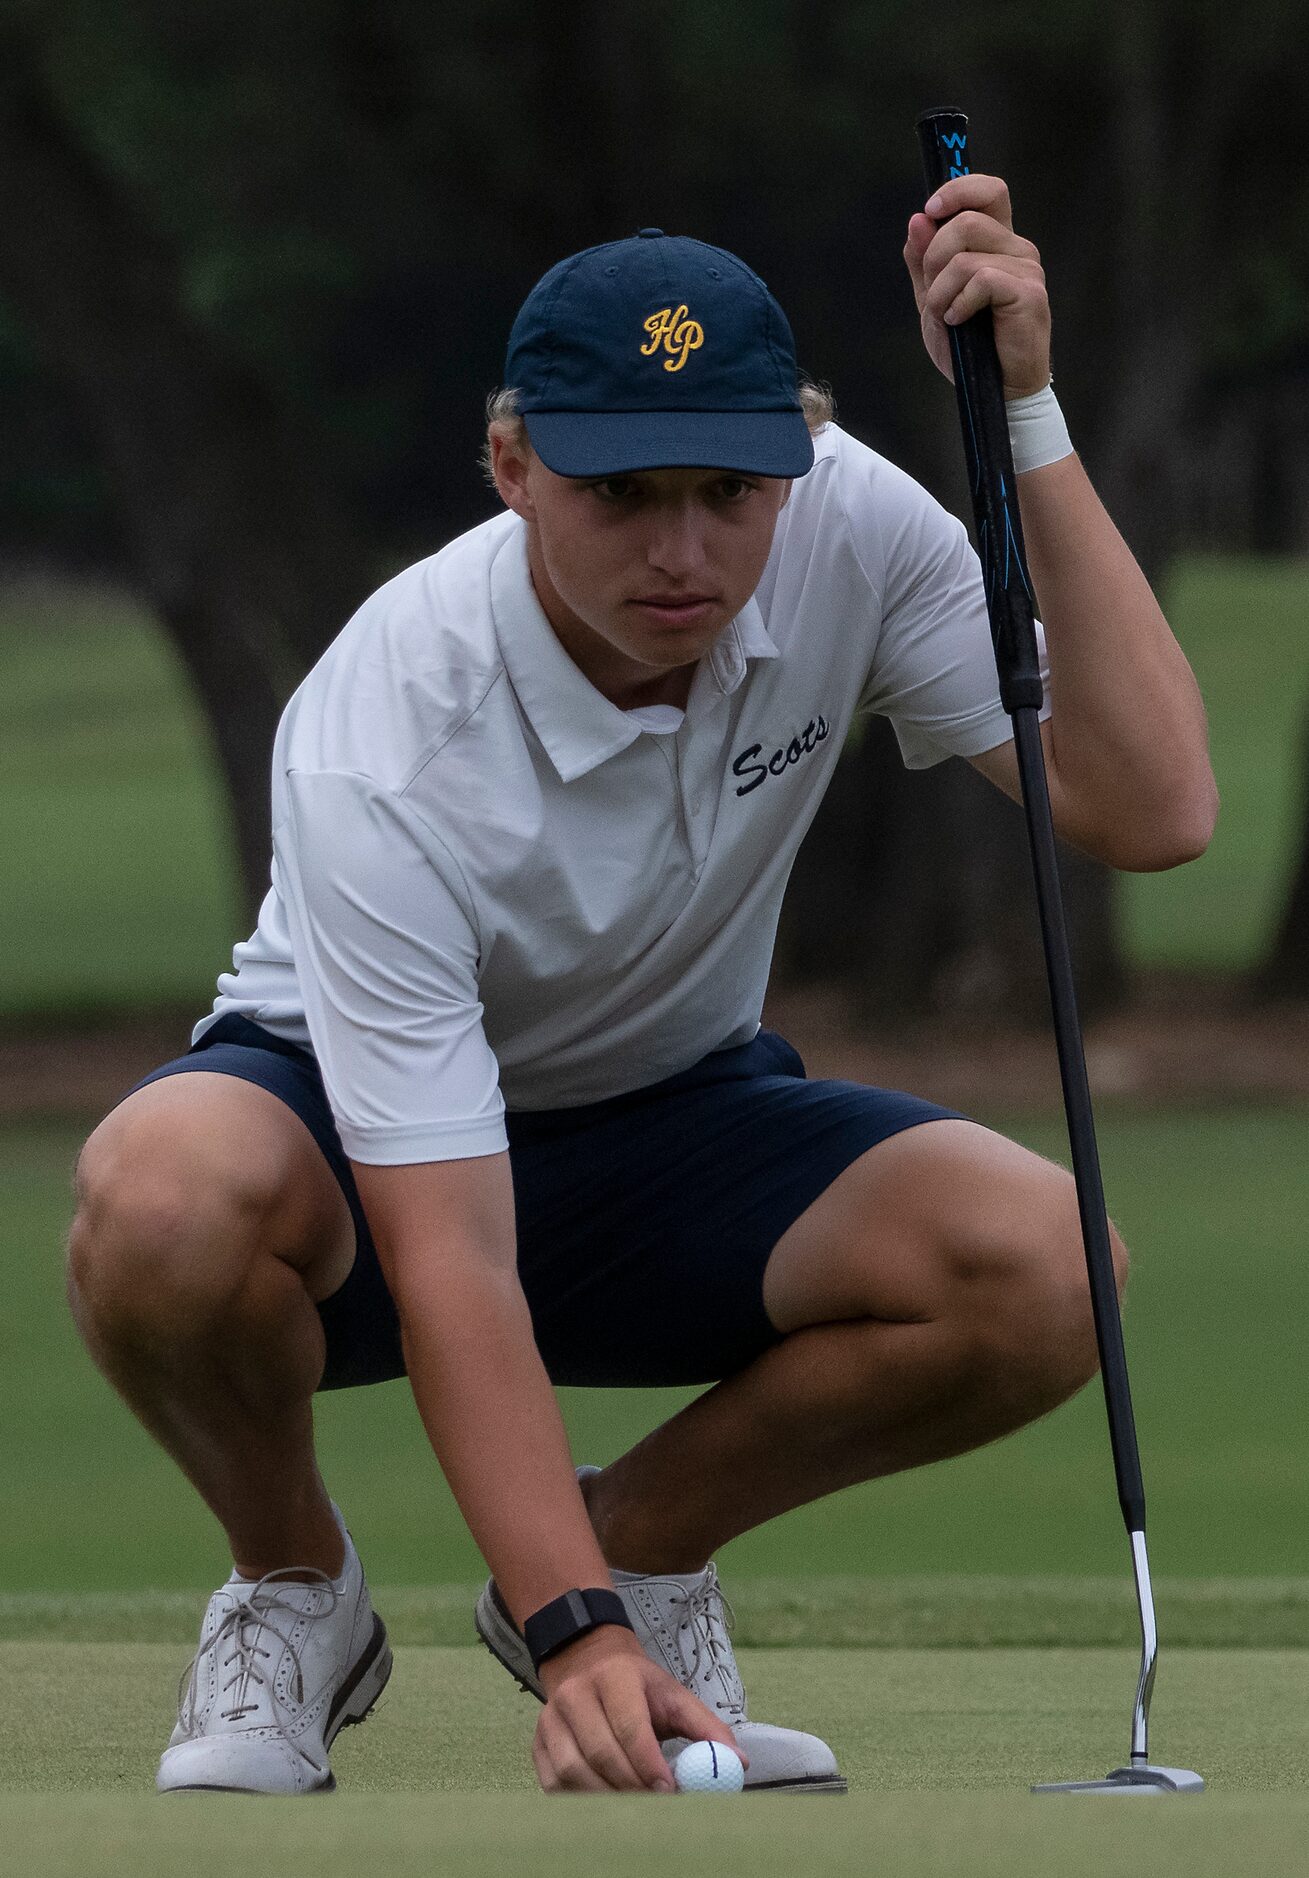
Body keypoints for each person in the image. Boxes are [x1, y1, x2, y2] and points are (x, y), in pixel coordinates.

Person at [66, 176, 1217, 1798]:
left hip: (674, 1110)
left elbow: (1151, 806)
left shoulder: (853, 528)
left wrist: (1022, 406)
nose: (684, 552)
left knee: (1047, 1269)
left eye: (728, 491)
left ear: (796, 463)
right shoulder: (385, 724)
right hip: (343, 1138)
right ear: (515, 467)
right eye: (622, 494)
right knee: (158, 1196)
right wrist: (574, 1635)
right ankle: (292, 1588)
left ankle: (647, 1539)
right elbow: (452, 1250)